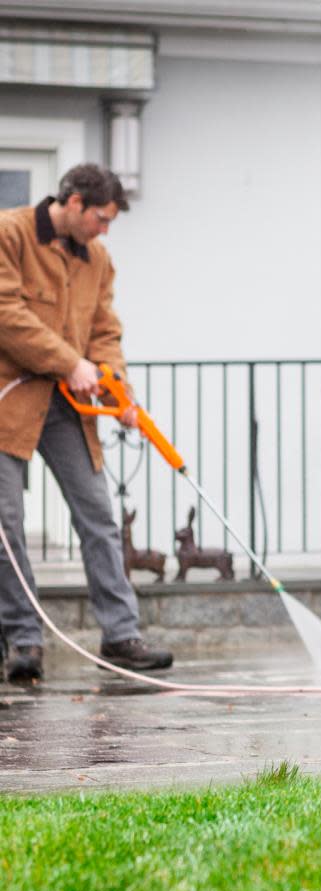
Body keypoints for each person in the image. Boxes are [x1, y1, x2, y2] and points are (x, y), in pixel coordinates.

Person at [0, 163, 172, 683]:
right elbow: (5, 313)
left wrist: (114, 383)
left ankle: (121, 635)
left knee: (98, 513)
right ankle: (24, 641)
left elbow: (103, 330)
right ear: (72, 203)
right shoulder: (10, 234)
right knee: (6, 525)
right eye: (100, 217)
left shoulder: (97, 258)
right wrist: (69, 363)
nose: (105, 229)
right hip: (9, 399)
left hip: (68, 407)